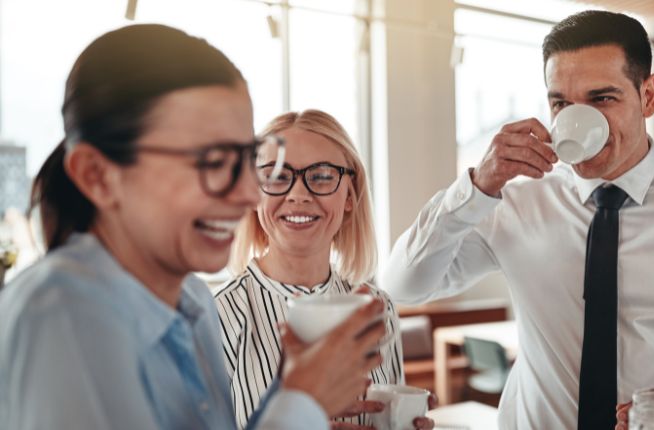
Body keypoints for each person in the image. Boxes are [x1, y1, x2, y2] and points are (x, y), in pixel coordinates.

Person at [381, 10, 654, 429]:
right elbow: (405, 284)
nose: (578, 120)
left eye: (602, 98)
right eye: (561, 102)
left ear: (649, 96)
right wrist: (474, 186)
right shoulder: (512, 200)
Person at [0, 24, 385, 430]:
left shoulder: (194, 300)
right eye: (213, 162)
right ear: (98, 176)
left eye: (245, 160)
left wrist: (288, 393)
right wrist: (301, 404)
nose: (248, 196)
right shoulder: (60, 318)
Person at [215, 109, 434, 430]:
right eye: (276, 177)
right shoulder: (218, 315)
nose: (299, 195)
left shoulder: (380, 308)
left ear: (350, 194)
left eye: (321, 176)